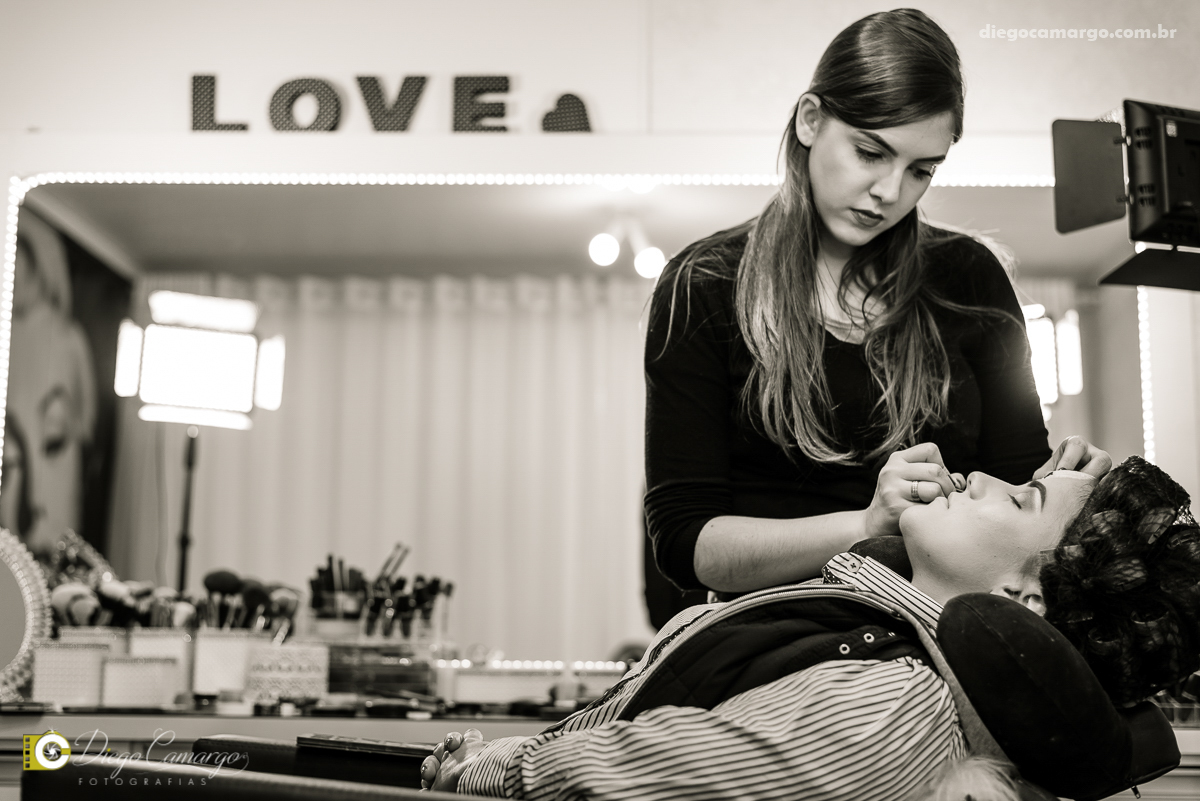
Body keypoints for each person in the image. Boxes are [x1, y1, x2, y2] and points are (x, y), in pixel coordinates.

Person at [642, 8, 1110, 599]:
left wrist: (1067, 491)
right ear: (811, 120)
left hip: (944, 637)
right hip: (775, 638)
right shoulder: (704, 283)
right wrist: (867, 526)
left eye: (921, 170)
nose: (891, 192)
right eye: (870, 153)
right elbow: (689, 545)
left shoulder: (969, 277)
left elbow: (1017, 489)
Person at [420, 453, 1200, 800]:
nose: (983, 474)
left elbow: (626, 778)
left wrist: (484, 767)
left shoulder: (888, 711)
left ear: (1024, 603)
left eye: (1021, 495)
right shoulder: (877, 631)